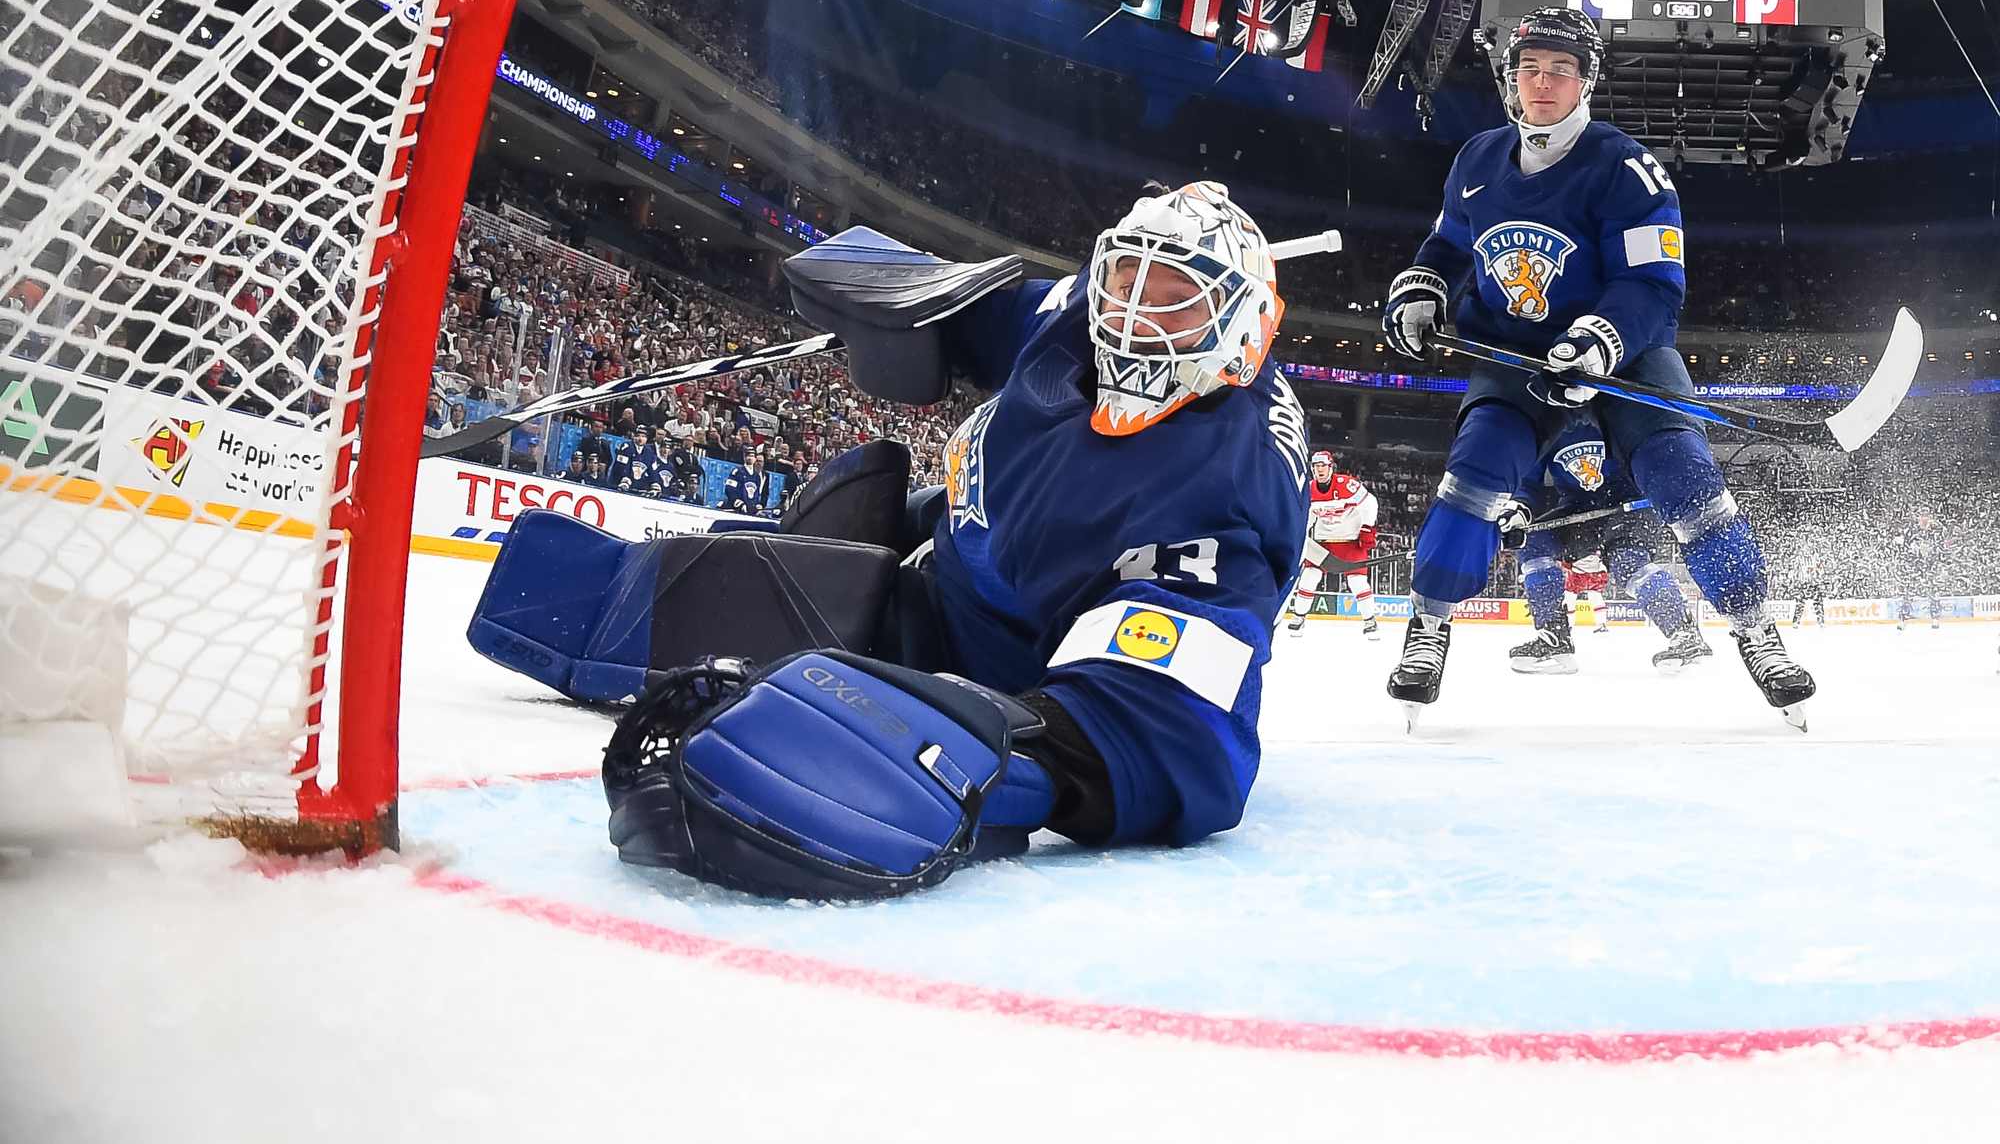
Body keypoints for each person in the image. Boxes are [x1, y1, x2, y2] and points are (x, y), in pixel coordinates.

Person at [489, 183, 1311, 899]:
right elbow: (996, 316)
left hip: (1031, 649)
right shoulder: (1075, 311)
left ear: (1243, 327)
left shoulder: (1233, 487)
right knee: (831, 513)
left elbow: (1177, 729)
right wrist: (917, 306)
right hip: (956, 549)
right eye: (1126, 274)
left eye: (1172, 291)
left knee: (791, 640)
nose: (1131, 309)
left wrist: (998, 764)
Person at [1380, 6, 1812, 730]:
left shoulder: (1627, 168)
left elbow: (1652, 285)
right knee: (1475, 477)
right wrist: (1423, 285)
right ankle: (1429, 623)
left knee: (1684, 476)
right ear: (1512, 77)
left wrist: (1597, 341)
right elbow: (1449, 246)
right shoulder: (1478, 160)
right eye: (1530, 69)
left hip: (1623, 356)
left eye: (1560, 71)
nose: (1542, 84)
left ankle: (1753, 625)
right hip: (1514, 357)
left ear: (1586, 82)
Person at [1500, 416, 1711, 675]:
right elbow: (1527, 484)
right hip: (1578, 509)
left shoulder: (1616, 411)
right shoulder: (1545, 422)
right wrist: (1518, 510)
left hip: (1630, 503)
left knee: (1627, 562)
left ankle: (1685, 635)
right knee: (1532, 542)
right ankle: (1554, 639)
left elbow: (1653, 454)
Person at [1285, 449, 1381, 637]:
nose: (1319, 470)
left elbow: (1370, 502)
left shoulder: (1346, 484)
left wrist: (1367, 527)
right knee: (1309, 577)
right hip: (1323, 542)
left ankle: (1370, 621)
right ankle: (1299, 617)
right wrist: (1299, 534)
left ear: (1331, 467)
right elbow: (1307, 517)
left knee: (1358, 582)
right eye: (1316, 466)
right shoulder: (1308, 489)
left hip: (1350, 541)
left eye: (1323, 466)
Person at [1896, 511, 1941, 630]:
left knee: (1933, 591)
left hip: (1929, 567)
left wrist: (1933, 560)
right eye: (1922, 516)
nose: (1924, 519)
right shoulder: (1912, 532)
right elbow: (1904, 548)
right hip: (1914, 567)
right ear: (1919, 518)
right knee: (1908, 592)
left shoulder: (1934, 532)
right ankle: (1903, 619)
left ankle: (1935, 618)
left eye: (1926, 516)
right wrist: (1911, 560)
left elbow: (1939, 549)